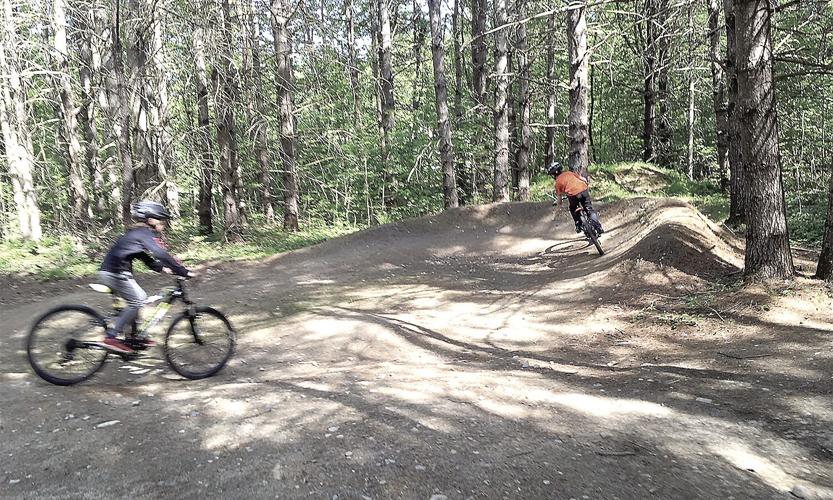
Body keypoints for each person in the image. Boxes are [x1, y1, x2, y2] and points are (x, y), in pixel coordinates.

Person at [96, 200, 193, 354]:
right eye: (162, 220)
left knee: (134, 301)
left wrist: (162, 268)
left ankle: (133, 338)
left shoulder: (136, 233)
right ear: (151, 220)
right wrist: (183, 271)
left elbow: (143, 257)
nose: (164, 224)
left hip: (114, 272)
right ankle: (111, 337)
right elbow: (160, 253)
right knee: (138, 299)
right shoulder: (144, 233)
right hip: (115, 273)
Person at [547, 161, 604, 235]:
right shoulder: (569, 173)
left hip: (573, 195)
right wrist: (585, 185)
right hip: (583, 190)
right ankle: (598, 227)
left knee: (572, 208)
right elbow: (583, 179)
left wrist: (557, 211)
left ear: (553, 175)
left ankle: (578, 224)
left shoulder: (557, 182)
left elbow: (559, 200)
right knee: (589, 209)